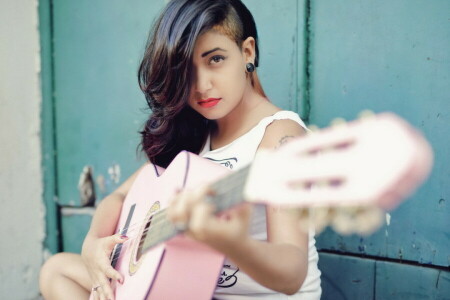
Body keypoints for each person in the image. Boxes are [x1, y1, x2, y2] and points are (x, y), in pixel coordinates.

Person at [39, 0, 321, 299]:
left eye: (215, 59)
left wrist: (230, 241)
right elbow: (119, 196)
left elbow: (292, 272)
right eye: (185, 69)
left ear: (247, 52)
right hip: (189, 290)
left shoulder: (280, 136)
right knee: (57, 271)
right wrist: (93, 244)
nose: (200, 85)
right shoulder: (198, 133)